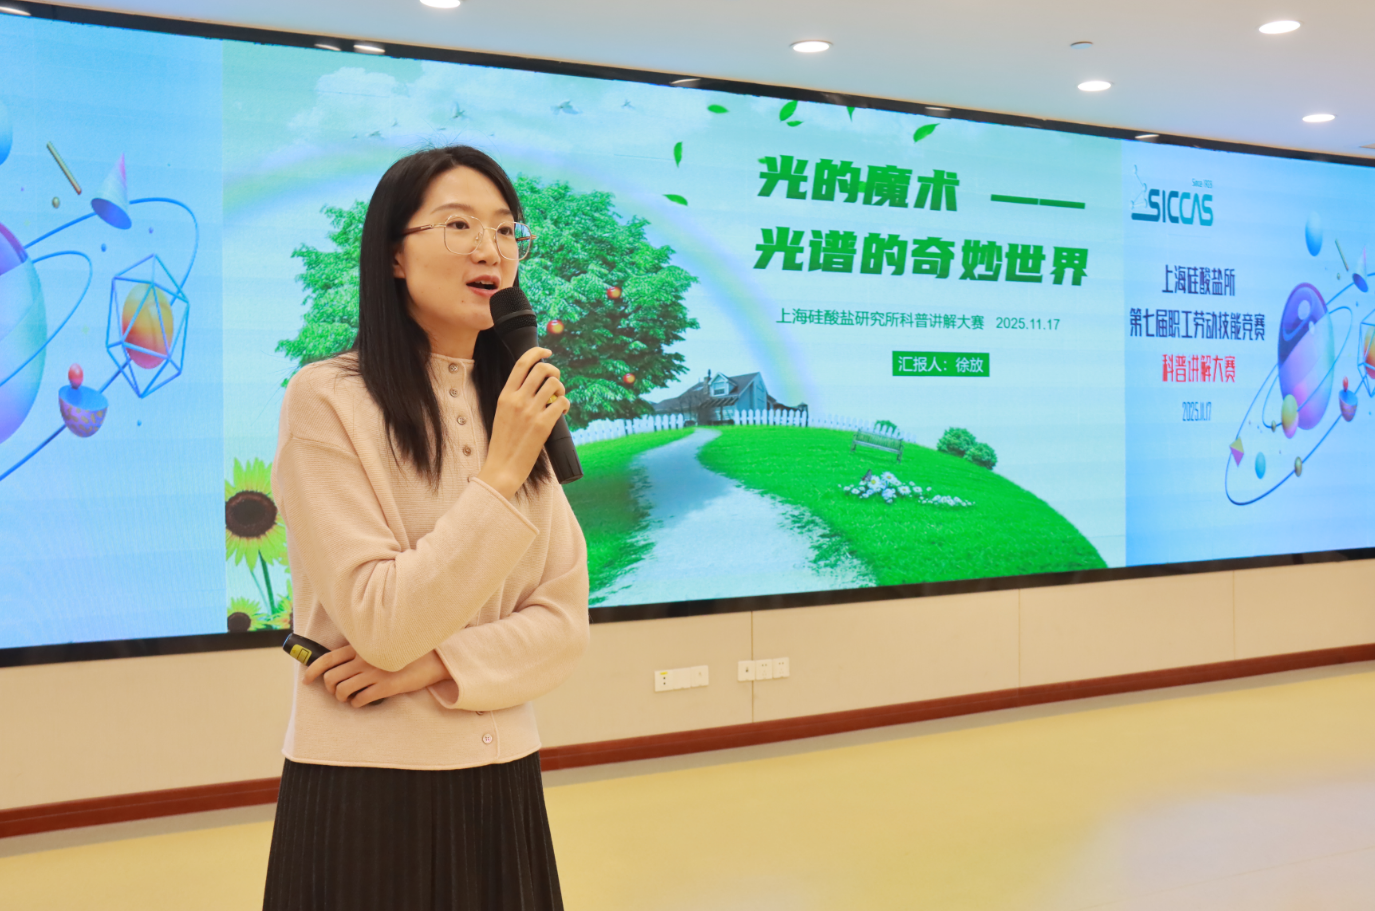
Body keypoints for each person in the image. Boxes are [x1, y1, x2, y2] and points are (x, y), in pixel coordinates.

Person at [262, 145, 589, 911]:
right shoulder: (326, 399)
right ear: (393, 255)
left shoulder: (514, 406)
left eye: (505, 229)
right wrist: (499, 476)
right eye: (458, 224)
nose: (490, 249)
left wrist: (430, 665)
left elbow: (563, 623)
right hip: (367, 784)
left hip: (504, 778)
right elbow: (382, 620)